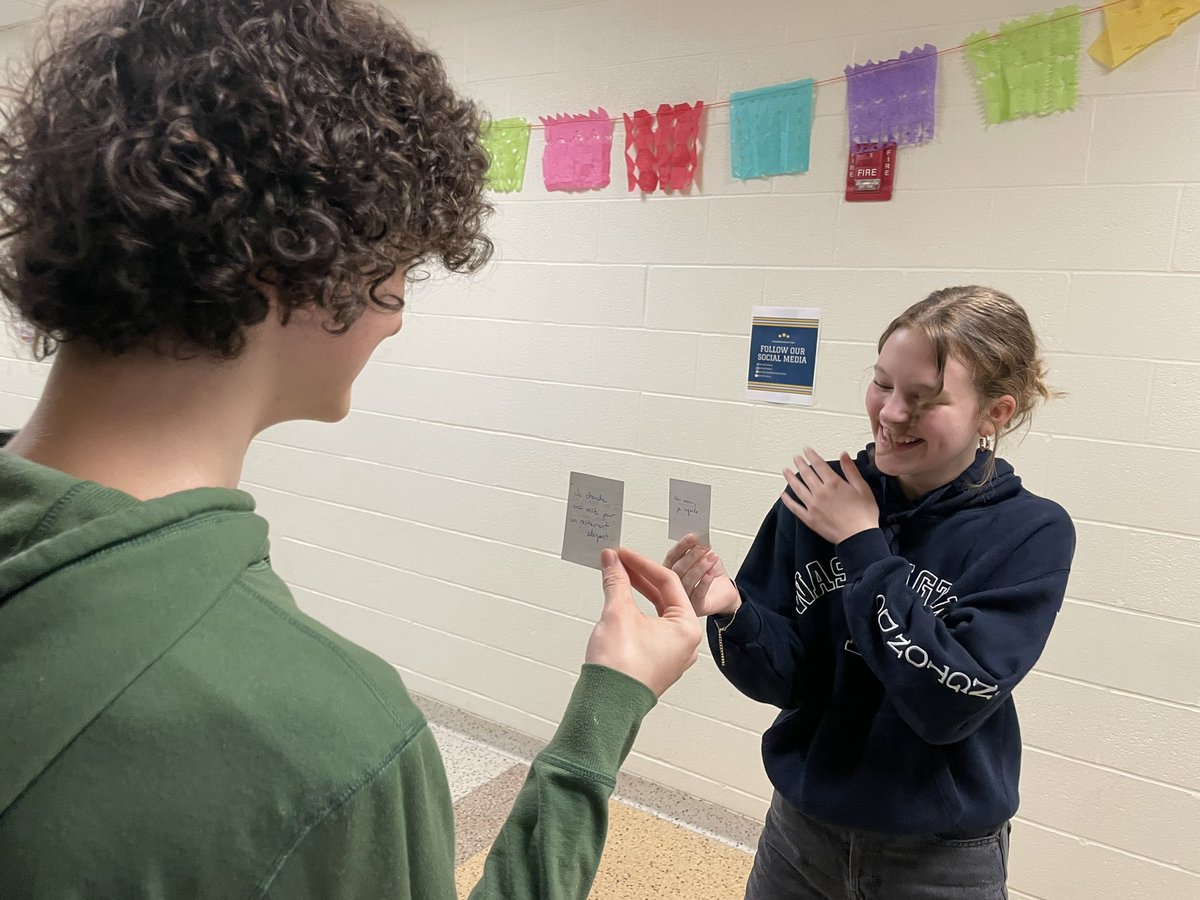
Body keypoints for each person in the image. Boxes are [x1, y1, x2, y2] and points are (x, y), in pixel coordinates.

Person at [0, 1, 702, 897]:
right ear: (291, 257)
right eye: (397, 267)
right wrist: (610, 704)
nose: (398, 317)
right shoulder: (333, 746)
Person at [666, 286, 1075, 900]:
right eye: (883, 383)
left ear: (994, 413)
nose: (890, 413)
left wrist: (862, 542)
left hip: (940, 859)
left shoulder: (1031, 533)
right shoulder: (818, 497)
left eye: (924, 398)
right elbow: (788, 682)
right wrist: (734, 611)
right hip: (800, 836)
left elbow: (948, 705)